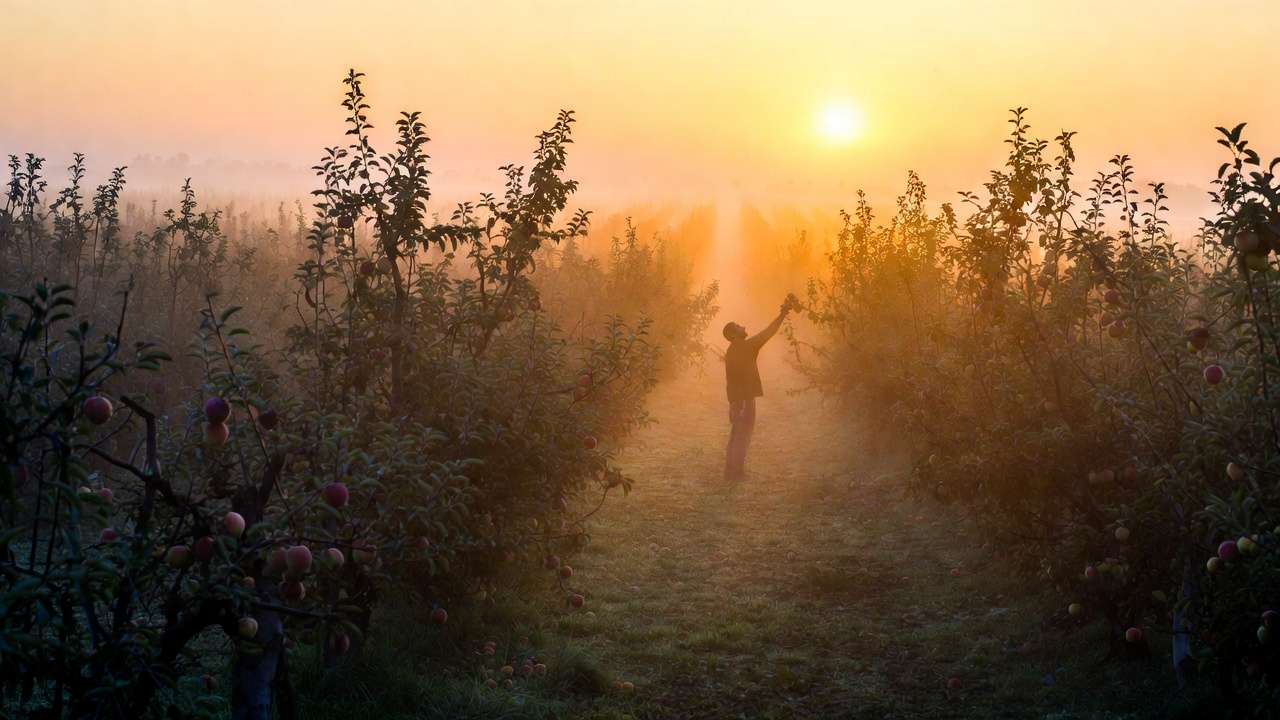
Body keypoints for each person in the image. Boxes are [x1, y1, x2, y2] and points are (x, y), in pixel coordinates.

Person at [722, 294, 798, 481]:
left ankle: (730, 471)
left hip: (737, 399)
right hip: (745, 398)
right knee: (743, 435)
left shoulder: (731, 352)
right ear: (733, 335)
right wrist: (782, 314)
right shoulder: (747, 347)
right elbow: (769, 331)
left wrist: (733, 404)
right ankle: (736, 473)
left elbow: (730, 380)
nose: (743, 326)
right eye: (738, 326)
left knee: (736, 434)